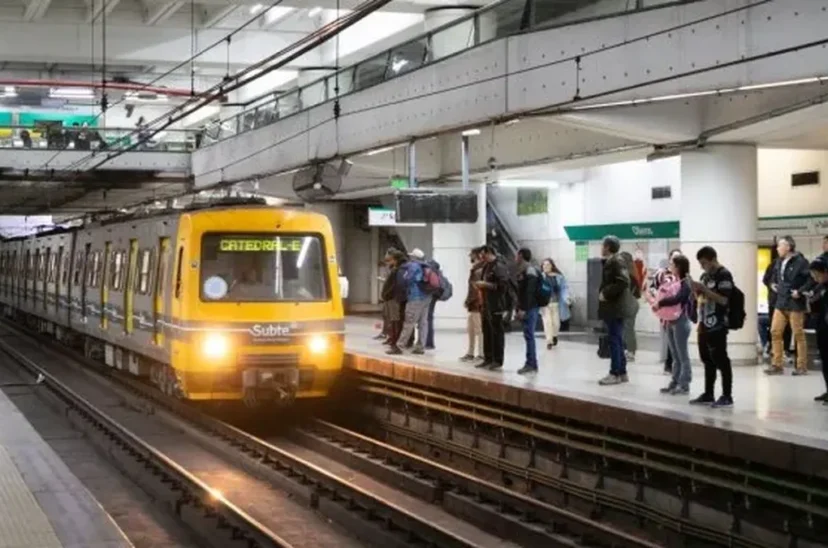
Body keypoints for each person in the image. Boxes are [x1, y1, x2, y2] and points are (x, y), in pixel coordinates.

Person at [690, 246, 734, 408]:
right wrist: (696, 290)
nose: (702, 267)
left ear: (712, 260)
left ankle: (727, 395)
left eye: (704, 263)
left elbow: (723, 300)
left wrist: (704, 290)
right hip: (704, 322)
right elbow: (702, 297)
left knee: (721, 359)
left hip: (718, 323)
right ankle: (709, 393)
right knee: (707, 358)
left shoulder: (724, 275)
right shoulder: (705, 276)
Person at [766, 236, 810, 376]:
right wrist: (773, 284)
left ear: (788, 247)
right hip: (781, 302)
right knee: (775, 331)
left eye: (780, 246)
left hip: (795, 303)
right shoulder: (778, 262)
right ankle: (777, 364)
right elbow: (773, 277)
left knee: (798, 334)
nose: (777, 248)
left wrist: (801, 291)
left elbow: (811, 279)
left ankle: (801, 366)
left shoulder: (801, 262)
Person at [652, 254, 695, 395]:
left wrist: (661, 303)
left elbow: (679, 298)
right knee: (675, 355)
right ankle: (675, 381)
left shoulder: (686, 282)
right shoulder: (675, 280)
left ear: (679, 267)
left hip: (681, 321)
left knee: (682, 355)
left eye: (672, 264)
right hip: (671, 321)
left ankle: (684, 384)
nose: (670, 267)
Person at [598, 236, 634, 386]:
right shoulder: (613, 261)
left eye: (603, 245)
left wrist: (606, 293)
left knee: (615, 340)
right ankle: (622, 372)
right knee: (617, 339)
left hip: (615, 307)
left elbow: (623, 281)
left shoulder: (616, 261)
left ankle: (615, 373)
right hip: (615, 307)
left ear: (607, 247)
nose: (601, 248)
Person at [386, 251, 429, 356]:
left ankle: (399, 346)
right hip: (426, 297)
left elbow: (407, 280)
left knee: (409, 322)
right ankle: (420, 347)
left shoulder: (413, 266)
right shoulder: (426, 265)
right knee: (423, 322)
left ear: (413, 257)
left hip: (415, 297)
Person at [475, 245, 509, 370]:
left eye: (484, 255)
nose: (482, 258)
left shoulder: (499, 266)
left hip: (496, 304)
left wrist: (486, 285)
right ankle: (488, 358)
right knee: (487, 332)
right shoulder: (486, 266)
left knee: (496, 332)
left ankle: (498, 360)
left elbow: (503, 286)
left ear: (490, 253)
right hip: (486, 304)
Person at [651, 249, 681, 374]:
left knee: (677, 338)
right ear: (669, 259)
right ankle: (669, 364)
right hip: (666, 311)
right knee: (671, 338)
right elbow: (654, 288)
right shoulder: (661, 274)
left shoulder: (683, 275)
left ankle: (674, 364)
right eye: (674, 258)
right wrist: (657, 302)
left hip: (679, 310)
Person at [515, 248, 541, 374]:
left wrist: (524, 309)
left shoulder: (530, 270)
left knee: (529, 335)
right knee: (528, 335)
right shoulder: (526, 270)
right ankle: (532, 363)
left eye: (517, 255)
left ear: (521, 256)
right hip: (528, 307)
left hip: (530, 308)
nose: (515, 258)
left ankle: (530, 363)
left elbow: (529, 292)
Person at [806, 257, 828, 403]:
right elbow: (815, 304)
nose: (815, 278)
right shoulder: (820, 287)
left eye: (817, 275)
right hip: (822, 327)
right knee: (825, 361)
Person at [460, 247, 484, 362]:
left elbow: (477, 288)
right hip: (473, 303)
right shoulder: (475, 268)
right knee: (471, 329)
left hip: (477, 304)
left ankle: (481, 354)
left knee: (479, 329)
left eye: (472, 255)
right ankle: (470, 352)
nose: (470, 257)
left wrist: (471, 300)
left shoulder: (480, 269)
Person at [619, 251, 642, 363]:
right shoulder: (633, 274)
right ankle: (629, 350)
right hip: (632, 303)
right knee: (628, 328)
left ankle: (630, 352)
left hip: (628, 304)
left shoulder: (626, 275)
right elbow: (638, 294)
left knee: (628, 329)